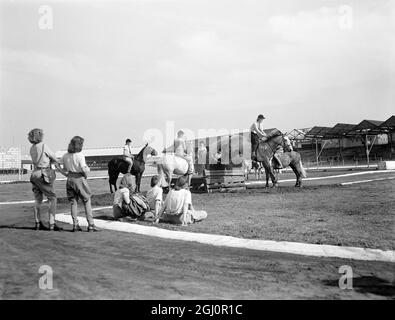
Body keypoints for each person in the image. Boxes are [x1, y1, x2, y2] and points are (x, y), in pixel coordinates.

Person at [28, 128, 68, 231]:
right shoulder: (44, 146)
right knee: (52, 197)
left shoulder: (32, 148)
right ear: (39, 135)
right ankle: (52, 223)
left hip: (34, 174)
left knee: (38, 199)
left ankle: (38, 223)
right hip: (43, 173)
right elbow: (55, 158)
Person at [62, 136, 100, 232]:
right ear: (79, 145)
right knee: (86, 200)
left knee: (73, 202)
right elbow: (83, 168)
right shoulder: (80, 155)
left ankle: (75, 224)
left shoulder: (65, 155)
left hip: (69, 179)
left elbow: (63, 169)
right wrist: (86, 173)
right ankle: (91, 224)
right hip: (79, 178)